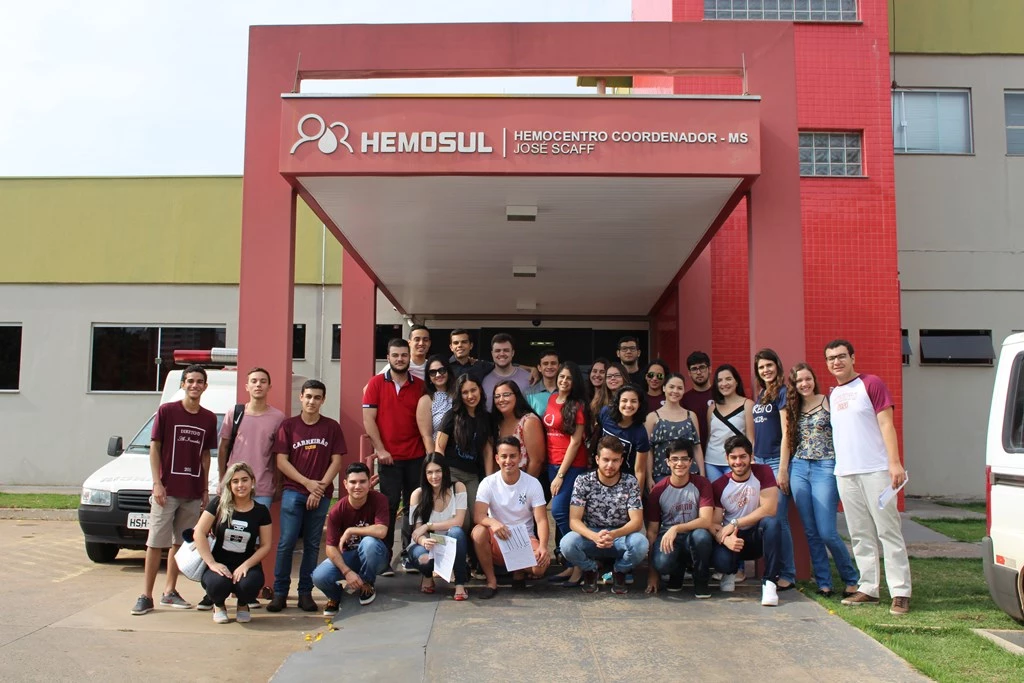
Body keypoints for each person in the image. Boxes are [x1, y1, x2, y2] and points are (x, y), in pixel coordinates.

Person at [825, 340, 912, 615]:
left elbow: (887, 424)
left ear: (852, 357)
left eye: (841, 356)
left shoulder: (871, 384)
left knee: (888, 531)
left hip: (876, 471)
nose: (836, 362)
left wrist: (894, 463)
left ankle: (900, 591)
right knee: (860, 533)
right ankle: (869, 588)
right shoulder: (833, 394)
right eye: (831, 358)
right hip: (846, 473)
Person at [131, 364, 218, 616]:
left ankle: (170, 591)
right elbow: (155, 448)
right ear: (182, 384)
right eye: (190, 381)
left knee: (180, 543)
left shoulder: (208, 418)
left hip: (192, 492)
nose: (194, 385)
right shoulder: (167, 411)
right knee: (155, 542)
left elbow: (205, 455)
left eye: (199, 381)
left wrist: (204, 489)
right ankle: (146, 596)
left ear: (205, 386)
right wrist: (157, 483)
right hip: (166, 491)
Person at [778, 363, 860, 598]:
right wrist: (783, 470)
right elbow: (787, 439)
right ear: (794, 385)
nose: (804, 384)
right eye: (799, 381)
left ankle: (851, 579)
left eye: (807, 379)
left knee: (827, 531)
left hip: (825, 466)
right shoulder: (793, 407)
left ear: (814, 379)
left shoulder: (829, 401)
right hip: (799, 468)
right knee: (811, 532)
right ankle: (824, 582)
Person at [208, 366, 284, 610]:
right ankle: (218, 586)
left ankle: (247, 590)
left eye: (263, 381)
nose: (258, 385)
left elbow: (278, 454)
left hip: (262, 487)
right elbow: (223, 446)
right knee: (225, 536)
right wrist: (223, 479)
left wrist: (278, 483)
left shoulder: (278, 418)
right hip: (233, 487)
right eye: (254, 381)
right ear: (246, 386)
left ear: (269, 386)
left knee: (254, 541)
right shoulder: (236, 412)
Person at [268, 379, 345, 613]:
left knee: (312, 545)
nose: (312, 401)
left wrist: (319, 488)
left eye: (317, 397)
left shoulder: (331, 427)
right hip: (294, 491)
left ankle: (305, 593)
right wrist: (307, 483)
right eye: (308, 396)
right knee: (286, 542)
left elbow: (337, 461)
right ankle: (280, 593)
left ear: (323, 400)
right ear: (301, 397)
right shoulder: (288, 426)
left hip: (321, 494)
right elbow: (281, 461)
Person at [363, 338, 426, 571]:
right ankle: (385, 558)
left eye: (404, 355)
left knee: (414, 507)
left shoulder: (421, 386)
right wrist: (380, 449)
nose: (400, 359)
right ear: (388, 358)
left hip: (416, 456)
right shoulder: (375, 383)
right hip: (389, 458)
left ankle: (410, 555)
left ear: (409, 357)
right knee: (388, 507)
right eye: (395, 355)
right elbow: (368, 419)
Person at [560, 436, 649, 595]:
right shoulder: (583, 480)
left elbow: (636, 522)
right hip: (592, 535)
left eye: (615, 460)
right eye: (606, 460)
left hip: (620, 536)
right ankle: (590, 570)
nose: (610, 465)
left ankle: (619, 571)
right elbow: (574, 520)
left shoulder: (630, 482)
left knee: (641, 543)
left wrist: (614, 534)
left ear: (621, 461)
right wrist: (594, 536)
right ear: (597, 459)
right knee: (567, 543)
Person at [471, 436, 551, 599]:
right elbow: (478, 515)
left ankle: (518, 570)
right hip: (498, 537)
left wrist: (543, 546)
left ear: (520, 457)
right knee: (478, 532)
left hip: (523, 538)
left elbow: (541, 519)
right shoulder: (488, 483)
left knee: (540, 569)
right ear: (497, 458)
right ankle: (491, 581)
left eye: (513, 456)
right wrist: (493, 523)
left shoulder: (532, 483)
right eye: (504, 456)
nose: (508, 461)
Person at [193, 462, 272, 624]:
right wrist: (212, 563)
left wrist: (246, 565)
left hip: (246, 564)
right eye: (235, 481)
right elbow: (199, 532)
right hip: (219, 563)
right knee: (217, 585)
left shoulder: (261, 511)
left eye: (244, 480)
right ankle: (219, 605)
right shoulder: (218, 504)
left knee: (250, 584)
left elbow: (266, 545)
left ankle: (243, 605)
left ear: (252, 482)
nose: (240, 485)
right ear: (229, 485)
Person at [710, 435, 784, 607]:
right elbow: (714, 523)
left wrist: (735, 523)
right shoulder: (719, 485)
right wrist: (726, 539)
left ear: (751, 457)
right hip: (732, 539)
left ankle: (770, 582)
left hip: (755, 536)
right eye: (733, 457)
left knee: (772, 523)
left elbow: (769, 509)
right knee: (721, 560)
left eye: (743, 456)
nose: (738, 462)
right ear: (727, 459)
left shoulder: (763, 472)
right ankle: (730, 572)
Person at [312, 463, 389, 616]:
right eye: (353, 482)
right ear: (345, 484)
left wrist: (351, 530)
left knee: (368, 542)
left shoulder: (379, 499)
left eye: (362, 481)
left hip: (376, 557)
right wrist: (346, 571)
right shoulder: (337, 510)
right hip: (350, 557)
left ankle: (367, 583)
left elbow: (381, 531)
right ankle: (335, 596)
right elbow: (330, 547)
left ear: (370, 482)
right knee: (319, 576)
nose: (357, 486)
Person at [644, 440, 714, 597]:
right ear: (667, 462)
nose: (679, 463)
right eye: (674, 459)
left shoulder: (702, 484)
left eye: (684, 459)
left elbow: (706, 520)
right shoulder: (658, 490)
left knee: (702, 536)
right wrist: (652, 574)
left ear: (691, 461)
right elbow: (652, 532)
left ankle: (701, 581)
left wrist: (676, 528)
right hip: (669, 538)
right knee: (662, 563)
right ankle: (677, 573)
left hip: (692, 535)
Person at [752, 348, 795, 591]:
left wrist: (783, 468)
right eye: (761, 367)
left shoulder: (782, 393)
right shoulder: (762, 394)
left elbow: (787, 432)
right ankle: (773, 571)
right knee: (767, 520)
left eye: (769, 365)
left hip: (776, 462)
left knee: (779, 520)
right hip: (759, 461)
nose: (766, 370)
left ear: (777, 366)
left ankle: (787, 573)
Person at [544, 362, 591, 585]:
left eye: (568, 378)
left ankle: (580, 564)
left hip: (571, 466)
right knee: (561, 512)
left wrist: (561, 475)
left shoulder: (578, 406)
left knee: (560, 512)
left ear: (575, 383)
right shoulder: (552, 398)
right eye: (561, 377)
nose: (563, 381)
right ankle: (570, 564)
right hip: (551, 463)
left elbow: (575, 442)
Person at [436, 374, 494, 534]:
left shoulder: (486, 418)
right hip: (452, 473)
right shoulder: (452, 416)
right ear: (459, 395)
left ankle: (474, 549)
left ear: (480, 390)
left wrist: (489, 480)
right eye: (465, 392)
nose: (470, 396)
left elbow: (488, 450)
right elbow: (439, 448)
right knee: (464, 520)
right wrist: (442, 477)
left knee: (478, 516)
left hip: (472, 476)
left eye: (473, 390)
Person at [407, 454, 469, 600]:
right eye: (429, 472)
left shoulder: (458, 488)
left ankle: (460, 584)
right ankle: (428, 575)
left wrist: (428, 526)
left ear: (445, 471)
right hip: (427, 544)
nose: (434, 476)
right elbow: (417, 533)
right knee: (423, 558)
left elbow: (458, 521)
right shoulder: (418, 495)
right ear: (424, 474)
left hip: (449, 542)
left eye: (438, 471)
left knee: (457, 532)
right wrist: (424, 541)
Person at [646, 372, 705, 483]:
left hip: (689, 474)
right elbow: (648, 450)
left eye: (679, 388)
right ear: (664, 388)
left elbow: (697, 447)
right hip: (661, 475)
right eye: (671, 387)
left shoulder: (691, 415)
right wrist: (649, 477)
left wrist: (702, 474)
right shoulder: (652, 417)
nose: (675, 391)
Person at [705, 364, 755, 483]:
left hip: (737, 462)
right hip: (712, 463)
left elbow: (750, 438)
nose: (724, 383)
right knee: (716, 494)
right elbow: (709, 437)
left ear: (736, 381)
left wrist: (751, 460)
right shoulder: (712, 408)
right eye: (720, 380)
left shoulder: (748, 405)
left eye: (728, 379)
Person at [598, 385, 651, 494]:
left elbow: (639, 471)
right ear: (618, 402)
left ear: (639, 404)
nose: (628, 405)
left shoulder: (640, 433)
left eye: (633, 401)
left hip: (624, 479)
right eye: (624, 400)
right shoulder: (606, 413)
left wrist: (637, 498)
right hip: (601, 472)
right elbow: (597, 433)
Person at [491, 380, 545, 478]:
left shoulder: (528, 421)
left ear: (516, 396)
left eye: (506, 395)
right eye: (497, 396)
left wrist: (523, 486)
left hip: (528, 481)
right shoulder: (496, 423)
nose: (501, 399)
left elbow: (537, 461)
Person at [481, 333, 532, 410]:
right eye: (497, 351)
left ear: (513, 353)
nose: (502, 354)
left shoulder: (528, 378)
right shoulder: (484, 380)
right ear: (492, 353)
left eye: (506, 350)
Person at [416, 355, 454, 455]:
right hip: (440, 455)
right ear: (428, 377)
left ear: (448, 371)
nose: (438, 375)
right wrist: (435, 460)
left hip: (462, 456)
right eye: (433, 372)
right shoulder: (426, 401)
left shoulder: (459, 395)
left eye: (441, 370)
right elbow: (426, 436)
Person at [681, 351, 714, 452]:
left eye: (702, 367)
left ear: (709, 369)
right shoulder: (684, 399)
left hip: (717, 451)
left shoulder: (720, 395)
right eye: (694, 369)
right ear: (689, 373)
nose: (698, 372)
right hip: (694, 451)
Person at [525, 348, 560, 415]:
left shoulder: (566, 391)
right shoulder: (528, 393)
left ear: (559, 367)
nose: (549, 366)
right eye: (545, 363)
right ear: (539, 368)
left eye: (553, 363)